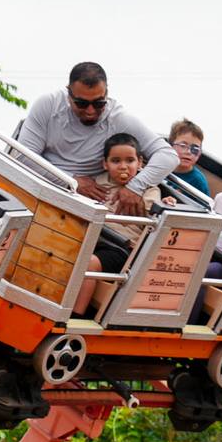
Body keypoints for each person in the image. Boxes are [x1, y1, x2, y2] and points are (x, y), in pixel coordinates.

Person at [14, 61, 179, 214]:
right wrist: (71, 182)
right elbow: (23, 157)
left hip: (89, 204)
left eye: (99, 103)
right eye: (82, 103)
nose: (91, 111)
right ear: (68, 93)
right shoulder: (48, 105)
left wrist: (134, 188)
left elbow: (168, 156)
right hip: (41, 188)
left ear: (107, 93)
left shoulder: (118, 119)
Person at [78, 133, 152, 315]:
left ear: (140, 163)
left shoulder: (149, 189)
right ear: (105, 163)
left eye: (130, 161)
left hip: (120, 247)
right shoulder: (95, 184)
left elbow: (155, 214)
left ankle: (72, 315)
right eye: (116, 161)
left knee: (90, 262)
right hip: (90, 238)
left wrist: (166, 202)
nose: (123, 167)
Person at [169, 119, 211, 197]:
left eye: (195, 149)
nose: (188, 152)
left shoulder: (199, 181)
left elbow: (204, 208)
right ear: (171, 146)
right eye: (183, 146)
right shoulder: (161, 166)